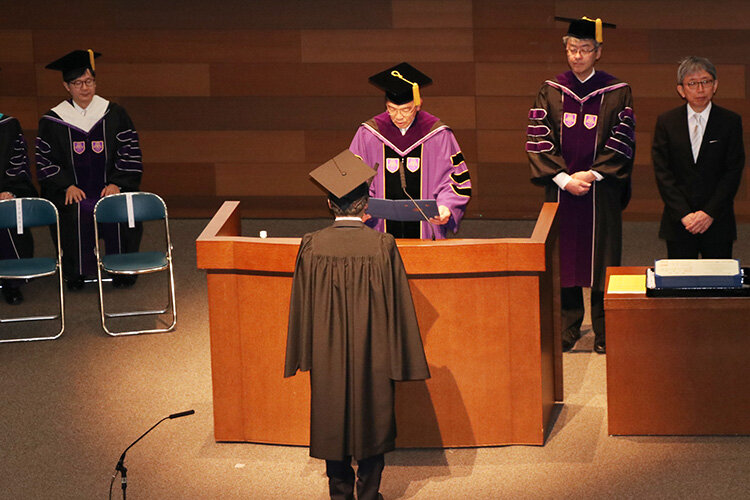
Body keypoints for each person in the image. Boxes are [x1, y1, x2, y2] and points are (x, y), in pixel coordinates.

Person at [285, 150, 430, 500]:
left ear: (329, 203)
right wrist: (403, 357)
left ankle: (339, 495)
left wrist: (304, 351)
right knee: (373, 416)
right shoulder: (382, 245)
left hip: (327, 349)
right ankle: (368, 495)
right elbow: (399, 305)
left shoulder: (312, 245)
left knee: (331, 414)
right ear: (366, 205)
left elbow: (301, 305)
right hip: (373, 350)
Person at [526, 17, 635, 354]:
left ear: (598, 52)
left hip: (600, 188)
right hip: (561, 188)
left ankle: (604, 329)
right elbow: (539, 137)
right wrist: (563, 179)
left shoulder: (617, 91)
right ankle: (568, 326)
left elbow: (622, 138)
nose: (577, 55)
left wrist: (592, 175)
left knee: (604, 256)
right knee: (564, 255)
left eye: (585, 49)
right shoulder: (551, 90)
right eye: (572, 49)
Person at [36, 49, 143, 291]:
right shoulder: (53, 120)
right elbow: (45, 160)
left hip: (109, 188)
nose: (85, 88)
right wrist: (66, 185)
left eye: (89, 81)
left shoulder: (115, 114)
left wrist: (117, 182)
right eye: (78, 83)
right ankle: (77, 272)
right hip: (74, 192)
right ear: (67, 86)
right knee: (72, 213)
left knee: (121, 208)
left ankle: (122, 268)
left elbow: (129, 151)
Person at [349, 62, 471, 239]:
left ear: (418, 105)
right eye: (392, 109)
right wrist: (358, 207)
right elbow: (353, 178)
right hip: (379, 227)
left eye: (406, 110)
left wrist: (446, 207)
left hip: (425, 228)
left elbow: (455, 179)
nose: (399, 116)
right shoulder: (368, 134)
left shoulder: (438, 135)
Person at [652, 56, 745, 259]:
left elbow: (733, 171)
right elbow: (663, 172)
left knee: (718, 278)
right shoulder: (667, 122)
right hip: (679, 221)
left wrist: (709, 213)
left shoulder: (730, 121)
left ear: (715, 85)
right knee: (681, 278)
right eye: (692, 84)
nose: (700, 89)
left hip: (718, 219)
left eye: (705, 82)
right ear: (681, 90)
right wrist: (684, 214)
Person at [0, 113, 37, 305]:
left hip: (2, 192)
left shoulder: (7, 126)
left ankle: (12, 283)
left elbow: (17, 164)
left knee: (7, 211)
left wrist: (9, 190)